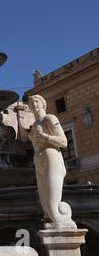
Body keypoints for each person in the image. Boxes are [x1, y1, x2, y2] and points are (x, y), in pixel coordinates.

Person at [27, 95, 75, 228]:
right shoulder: (34, 125)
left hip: (51, 157)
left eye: (36, 101)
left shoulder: (50, 118)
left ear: (43, 104)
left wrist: (45, 137)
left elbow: (64, 141)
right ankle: (52, 229)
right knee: (46, 208)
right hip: (39, 160)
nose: (33, 104)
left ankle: (63, 223)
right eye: (31, 103)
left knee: (53, 206)